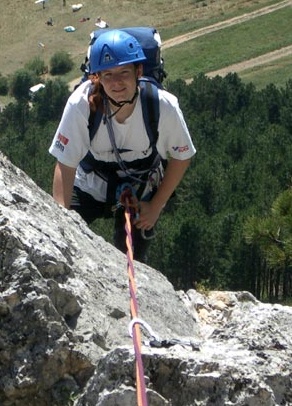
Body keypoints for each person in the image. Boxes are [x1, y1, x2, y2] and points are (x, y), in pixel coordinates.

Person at [49, 29, 196, 262]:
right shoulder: (81, 104)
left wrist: (156, 206)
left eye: (124, 73)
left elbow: (182, 156)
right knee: (61, 248)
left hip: (141, 186)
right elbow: (65, 165)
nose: (116, 83)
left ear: (139, 71)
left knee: (132, 259)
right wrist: (61, 223)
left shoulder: (162, 105)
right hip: (89, 182)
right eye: (107, 75)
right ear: (96, 77)